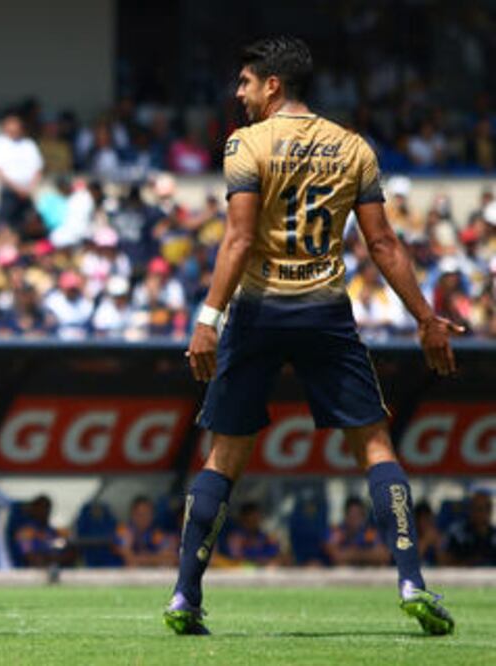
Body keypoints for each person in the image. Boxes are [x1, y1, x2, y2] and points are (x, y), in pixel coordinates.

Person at [168, 36, 459, 637]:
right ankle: (412, 581)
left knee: (225, 454)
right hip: (325, 312)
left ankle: (184, 597)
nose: (239, 94)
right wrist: (426, 319)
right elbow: (383, 246)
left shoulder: (246, 144)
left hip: (257, 312)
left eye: (245, 82)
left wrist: (207, 319)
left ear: (273, 85)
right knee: (375, 446)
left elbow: (240, 240)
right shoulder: (354, 147)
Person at [0, 111, 43, 233]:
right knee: (5, 225)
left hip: (26, 193)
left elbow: (38, 169)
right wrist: (17, 189)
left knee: (29, 223)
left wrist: (29, 188)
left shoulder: (29, 144)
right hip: (9, 192)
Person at [322, 496, 389, 567]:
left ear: (363, 516)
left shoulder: (369, 533)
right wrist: (368, 555)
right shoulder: (338, 531)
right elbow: (336, 556)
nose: (355, 520)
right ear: (346, 516)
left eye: (358, 515)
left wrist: (353, 554)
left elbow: (384, 556)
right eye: (352, 515)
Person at [114, 496, 179, 568]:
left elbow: (172, 558)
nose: (143, 518)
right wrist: (155, 558)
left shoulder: (155, 533)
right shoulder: (123, 530)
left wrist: (143, 559)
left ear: (153, 515)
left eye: (147, 514)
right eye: (139, 514)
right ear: (132, 514)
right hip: (118, 575)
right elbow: (130, 559)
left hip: (150, 576)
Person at [440, 490, 496, 566]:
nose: (479, 513)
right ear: (470, 509)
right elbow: (444, 561)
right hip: (461, 575)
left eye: (485, 508)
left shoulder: (494, 535)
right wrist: (468, 563)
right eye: (476, 508)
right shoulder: (457, 533)